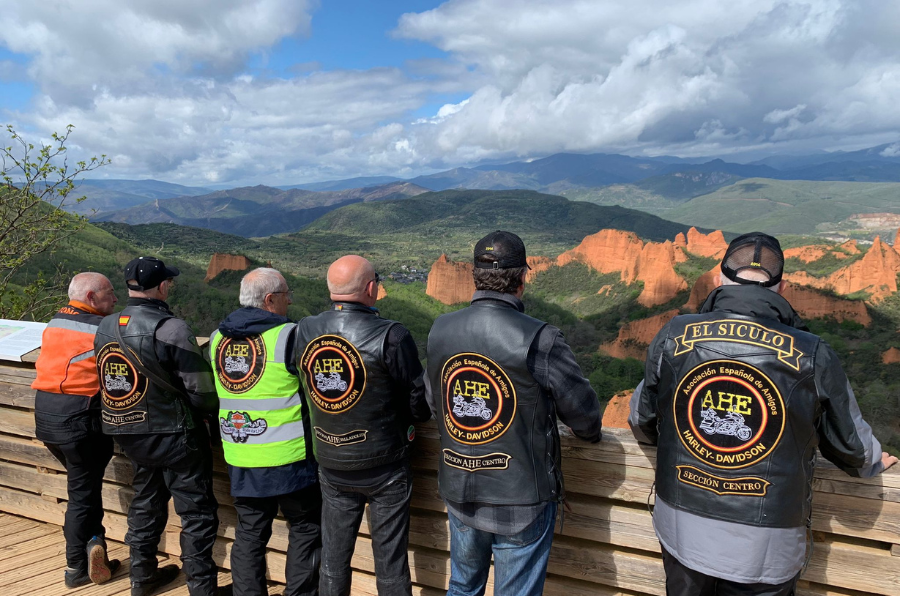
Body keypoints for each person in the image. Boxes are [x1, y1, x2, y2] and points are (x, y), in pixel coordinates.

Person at [629, 232, 899, 596]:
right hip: (766, 545)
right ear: (781, 287)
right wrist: (872, 464)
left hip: (682, 527)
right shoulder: (812, 351)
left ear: (720, 278)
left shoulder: (674, 334)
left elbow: (642, 418)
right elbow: (853, 447)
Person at [425, 231, 603, 596]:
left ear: (475, 276)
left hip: (459, 490)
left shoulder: (440, 329)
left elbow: (433, 403)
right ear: (522, 278)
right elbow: (585, 418)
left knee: (462, 587)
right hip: (521, 497)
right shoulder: (540, 338)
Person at [295, 255, 430, 596]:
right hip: (385, 465)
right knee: (391, 564)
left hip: (331, 461)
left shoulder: (305, 329)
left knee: (333, 561)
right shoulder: (391, 335)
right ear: (371, 288)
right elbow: (417, 399)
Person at [94, 256, 220, 596]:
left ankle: (142, 578)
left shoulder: (105, 326)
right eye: (169, 283)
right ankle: (202, 587)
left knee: (146, 504)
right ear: (162, 286)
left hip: (130, 433)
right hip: (176, 435)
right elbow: (202, 391)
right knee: (196, 513)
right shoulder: (172, 329)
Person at [209, 268, 321, 596]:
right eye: (287, 294)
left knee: (250, 533)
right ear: (270, 300)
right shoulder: (290, 336)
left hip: (241, 453)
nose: (290, 300)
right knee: (306, 528)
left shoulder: (218, 339)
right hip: (290, 457)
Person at [32, 272, 120, 588]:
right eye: (110, 293)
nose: (116, 299)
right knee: (81, 495)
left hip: (46, 417)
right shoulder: (101, 329)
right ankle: (75, 569)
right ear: (92, 298)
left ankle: (95, 545)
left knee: (84, 488)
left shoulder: (55, 321)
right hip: (79, 419)